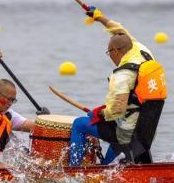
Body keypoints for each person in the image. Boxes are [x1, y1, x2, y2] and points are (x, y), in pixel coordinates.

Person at [68, 9, 167, 166]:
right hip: (145, 132)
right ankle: (106, 166)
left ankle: (73, 170)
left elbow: (117, 109)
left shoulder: (122, 75)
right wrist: (98, 17)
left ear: (115, 51)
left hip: (125, 131)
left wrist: (101, 113)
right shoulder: (141, 50)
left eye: (109, 52)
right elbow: (120, 31)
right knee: (102, 121)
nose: (110, 56)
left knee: (80, 124)